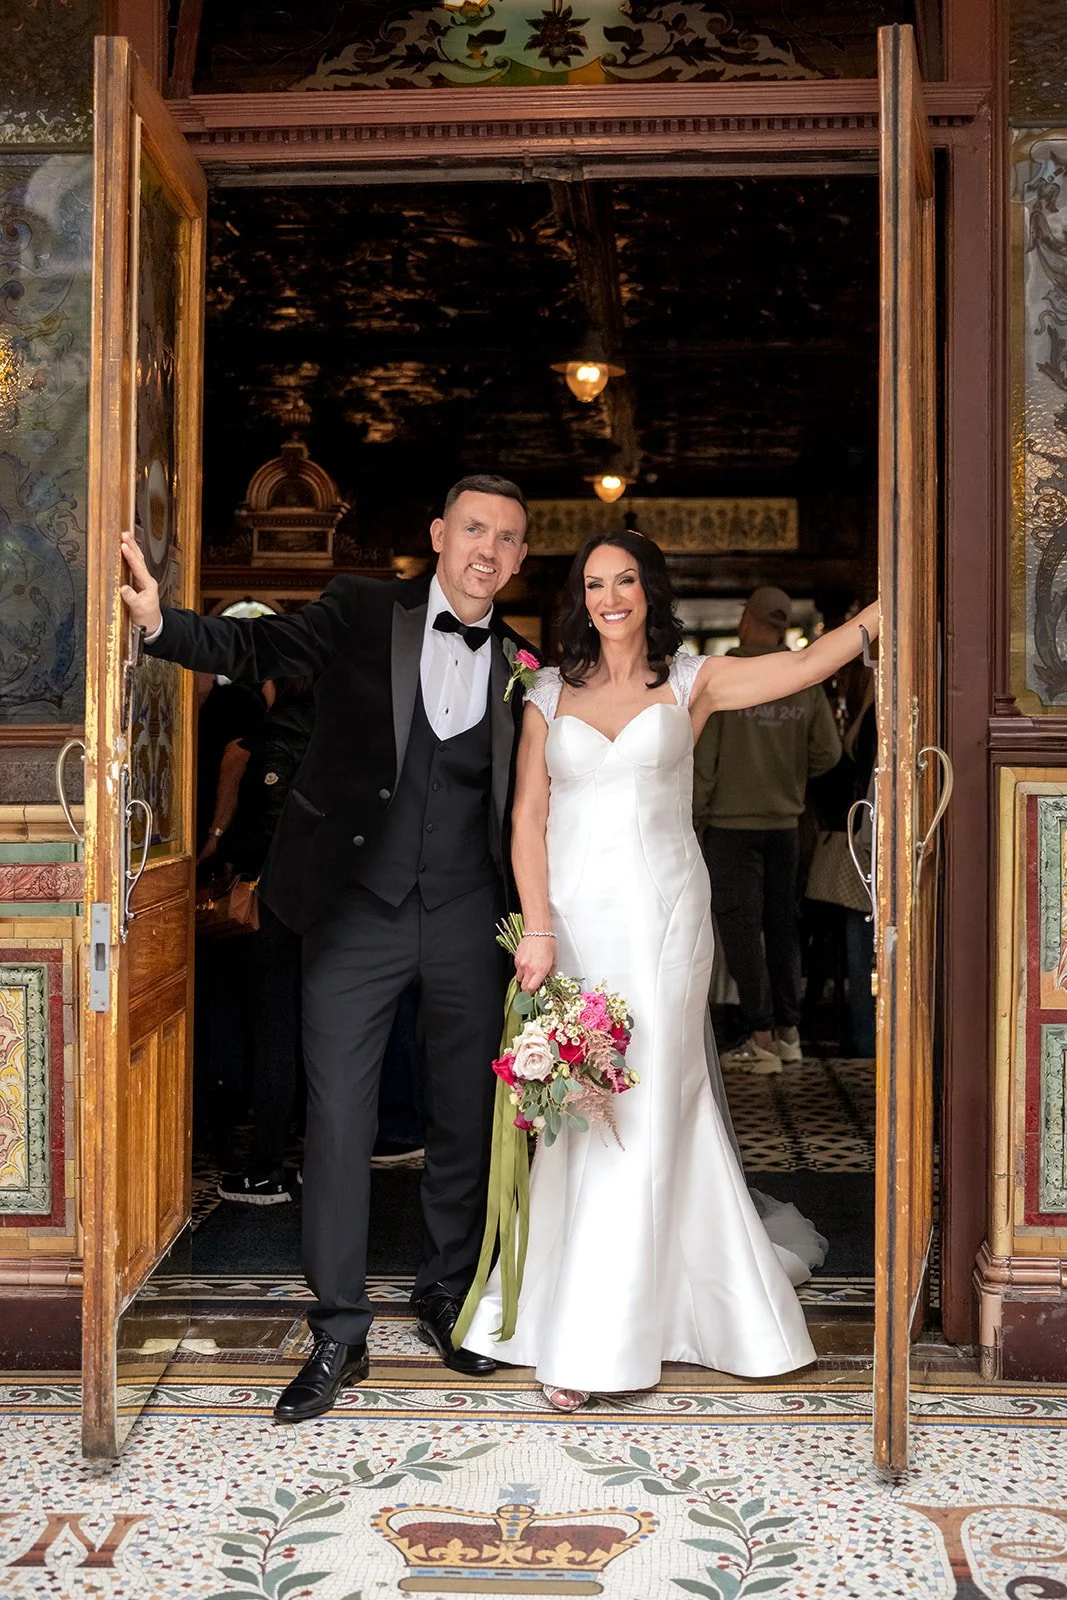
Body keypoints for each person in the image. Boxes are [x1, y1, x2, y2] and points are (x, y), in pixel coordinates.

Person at [119, 475, 531, 1423]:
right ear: (439, 532)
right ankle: (339, 1328)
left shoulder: (522, 664)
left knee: (464, 1117)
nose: (486, 549)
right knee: (339, 1121)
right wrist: (160, 624)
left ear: (517, 559)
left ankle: (447, 1292)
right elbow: (257, 647)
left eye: (506, 538)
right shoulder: (360, 609)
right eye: (473, 528)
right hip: (353, 912)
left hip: (468, 915)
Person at [462, 533, 877, 1410]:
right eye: (594, 584)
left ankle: (602, 1341)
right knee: (582, 1108)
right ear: (580, 598)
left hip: (664, 919)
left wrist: (883, 613)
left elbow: (802, 668)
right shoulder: (546, 691)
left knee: (648, 1102)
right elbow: (526, 817)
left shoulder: (694, 681)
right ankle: (584, 1305)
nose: (609, 597)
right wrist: (537, 928)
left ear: (649, 591)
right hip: (573, 924)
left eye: (624, 581)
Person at [692, 587, 842, 1073]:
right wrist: (789, 775)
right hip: (785, 826)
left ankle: (760, 1039)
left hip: (730, 826)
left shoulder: (725, 675)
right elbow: (829, 753)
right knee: (782, 928)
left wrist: (695, 817)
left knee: (741, 930)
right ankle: (789, 1034)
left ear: (747, 619)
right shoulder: (802, 676)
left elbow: (704, 760)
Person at [213, 676, 316, 1203]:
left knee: (274, 1029)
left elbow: (269, 826)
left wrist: (224, 849)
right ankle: (320, 1161)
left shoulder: (276, 736)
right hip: (329, 905)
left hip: (278, 903)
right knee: (319, 1029)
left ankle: (267, 1167)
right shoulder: (335, 728)